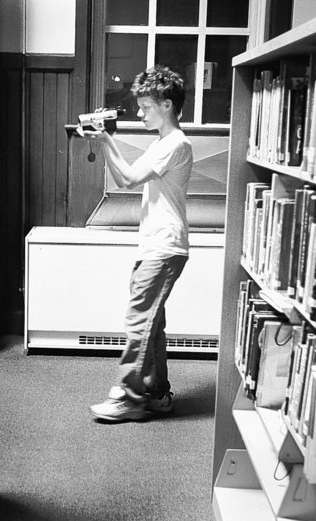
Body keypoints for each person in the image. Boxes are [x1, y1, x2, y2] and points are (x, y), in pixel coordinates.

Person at [83, 65, 193, 422]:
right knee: (153, 323)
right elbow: (123, 177)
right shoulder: (162, 143)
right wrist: (103, 141)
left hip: (164, 246)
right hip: (156, 245)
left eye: (146, 106)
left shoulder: (176, 143)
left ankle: (128, 397)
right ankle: (158, 394)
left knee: (138, 321)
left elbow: (129, 178)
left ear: (166, 103)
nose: (141, 113)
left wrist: (107, 139)